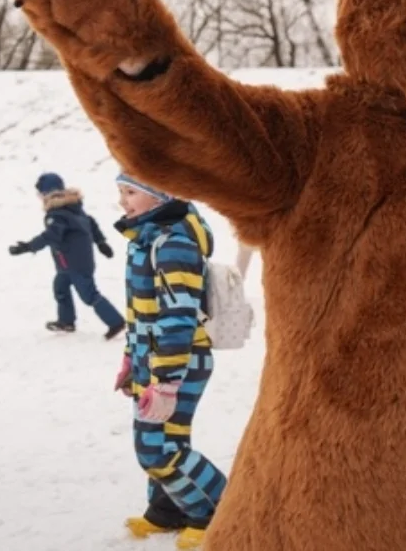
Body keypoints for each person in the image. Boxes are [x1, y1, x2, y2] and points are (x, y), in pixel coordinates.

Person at [112, 172, 227, 550]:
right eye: (121, 192)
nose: (122, 200)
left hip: (180, 362)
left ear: (161, 196)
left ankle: (219, 511)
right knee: (168, 440)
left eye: (131, 192)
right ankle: (167, 510)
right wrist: (131, 358)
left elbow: (177, 317)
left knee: (156, 450)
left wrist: (166, 381)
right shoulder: (146, 238)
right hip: (154, 360)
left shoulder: (173, 243)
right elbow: (142, 313)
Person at [9, 172, 125, 339]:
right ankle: (66, 321)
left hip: (75, 263)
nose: (39, 198)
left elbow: (51, 236)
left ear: (46, 193)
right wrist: (101, 242)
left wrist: (28, 246)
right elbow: (90, 222)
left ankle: (116, 322)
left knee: (89, 294)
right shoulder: (73, 208)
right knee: (60, 287)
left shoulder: (57, 214)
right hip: (67, 263)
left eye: (40, 194)